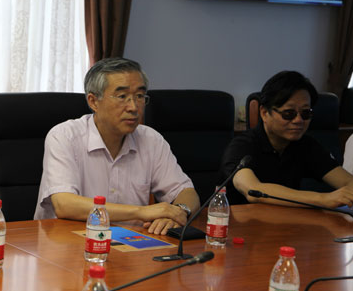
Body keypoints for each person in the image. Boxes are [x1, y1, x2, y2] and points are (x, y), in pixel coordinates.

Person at [33, 57, 200, 235]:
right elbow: (65, 205)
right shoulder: (64, 136)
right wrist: (142, 212)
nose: (134, 107)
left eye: (140, 96)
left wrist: (179, 212)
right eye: (122, 97)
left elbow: (187, 192)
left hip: (131, 244)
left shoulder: (151, 139)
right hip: (66, 243)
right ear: (93, 101)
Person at [221, 70, 353, 208]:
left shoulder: (306, 145)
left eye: (305, 113)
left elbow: (348, 182)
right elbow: (253, 191)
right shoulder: (242, 145)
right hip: (235, 225)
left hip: (287, 224)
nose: (299, 120)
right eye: (289, 113)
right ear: (265, 113)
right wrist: (323, 198)